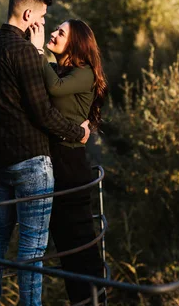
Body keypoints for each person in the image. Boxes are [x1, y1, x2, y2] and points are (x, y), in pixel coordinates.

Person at [0, 0, 91, 306]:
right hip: (30, 161)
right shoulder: (25, 52)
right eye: (41, 17)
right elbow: (42, 112)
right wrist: (76, 133)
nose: (42, 23)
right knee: (32, 246)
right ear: (28, 15)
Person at [29, 18, 108, 304]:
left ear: (75, 44)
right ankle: (80, 300)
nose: (53, 33)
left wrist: (37, 52)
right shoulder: (56, 69)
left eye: (60, 32)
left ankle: (94, 300)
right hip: (55, 160)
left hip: (71, 162)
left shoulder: (84, 73)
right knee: (64, 241)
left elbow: (54, 89)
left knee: (79, 239)